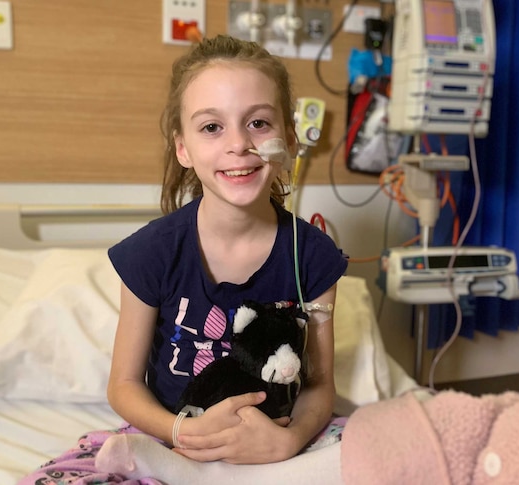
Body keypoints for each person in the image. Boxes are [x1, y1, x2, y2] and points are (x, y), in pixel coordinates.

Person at [104, 34, 348, 467]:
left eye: (258, 123)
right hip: (175, 440)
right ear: (183, 148)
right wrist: (182, 431)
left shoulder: (312, 258)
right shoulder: (151, 254)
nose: (239, 144)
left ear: (289, 139)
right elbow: (123, 384)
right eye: (212, 127)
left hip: (281, 442)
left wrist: (287, 442)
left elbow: (319, 386)